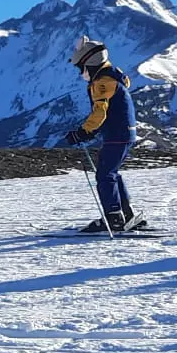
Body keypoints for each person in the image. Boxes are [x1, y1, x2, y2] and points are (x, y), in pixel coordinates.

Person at [62, 36, 145, 232]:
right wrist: (91, 131)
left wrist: (84, 132)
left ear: (89, 63)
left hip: (117, 133)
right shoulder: (112, 76)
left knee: (105, 175)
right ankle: (126, 212)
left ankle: (114, 217)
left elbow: (100, 111)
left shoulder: (102, 82)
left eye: (80, 68)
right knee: (112, 173)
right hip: (123, 133)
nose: (80, 73)